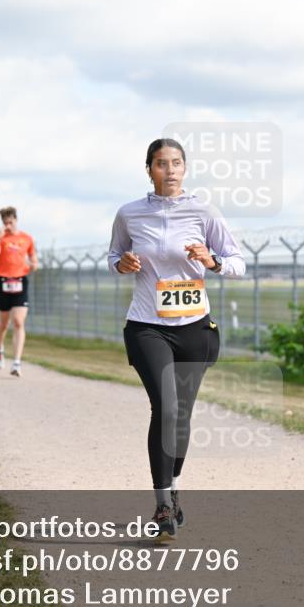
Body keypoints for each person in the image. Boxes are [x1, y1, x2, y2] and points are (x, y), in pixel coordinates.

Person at [108, 138, 245, 540]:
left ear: (185, 169)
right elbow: (114, 254)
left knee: (181, 416)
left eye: (176, 163)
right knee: (165, 408)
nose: (169, 170)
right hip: (147, 325)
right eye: (161, 164)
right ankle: (163, 505)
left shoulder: (203, 210)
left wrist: (213, 261)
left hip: (194, 328)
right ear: (148, 169)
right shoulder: (130, 214)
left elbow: (237, 262)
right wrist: (123, 263)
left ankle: (174, 488)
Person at [0, 206, 37, 377]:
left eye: (10, 222)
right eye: (5, 223)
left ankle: (16, 362)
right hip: (3, 281)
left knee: (18, 321)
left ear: (16, 220)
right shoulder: (0, 238)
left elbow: (33, 258)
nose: (8, 226)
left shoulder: (27, 238)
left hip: (20, 281)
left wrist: (33, 264)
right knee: (4, 324)